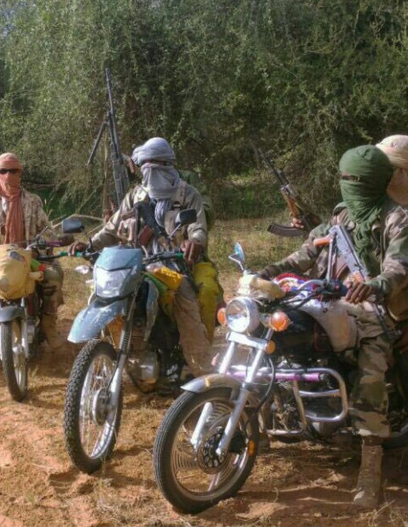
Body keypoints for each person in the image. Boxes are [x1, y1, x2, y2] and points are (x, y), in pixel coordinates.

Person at [257, 145, 408, 507]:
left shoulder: (397, 219)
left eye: (356, 179)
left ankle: (370, 470)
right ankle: (257, 424)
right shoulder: (341, 215)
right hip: (331, 299)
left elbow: (399, 267)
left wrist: (374, 285)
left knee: (372, 363)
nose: (349, 185)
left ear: (376, 181)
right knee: (270, 330)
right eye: (345, 178)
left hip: (377, 306)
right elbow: (308, 251)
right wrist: (270, 271)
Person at [70, 137, 221, 376]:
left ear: (168, 164)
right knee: (101, 292)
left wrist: (195, 242)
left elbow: (199, 228)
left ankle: (201, 372)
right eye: (145, 166)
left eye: (156, 165)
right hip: (138, 263)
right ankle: (105, 352)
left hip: (176, 265)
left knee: (186, 299)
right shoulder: (136, 196)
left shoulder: (188, 194)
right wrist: (88, 244)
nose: (150, 172)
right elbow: (111, 229)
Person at [0, 153, 65, 376]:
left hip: (27, 259)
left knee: (53, 279)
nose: (9, 176)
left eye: (14, 171)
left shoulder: (33, 201)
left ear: (20, 173)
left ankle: (48, 325)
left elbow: (47, 230)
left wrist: (38, 246)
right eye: (3, 171)